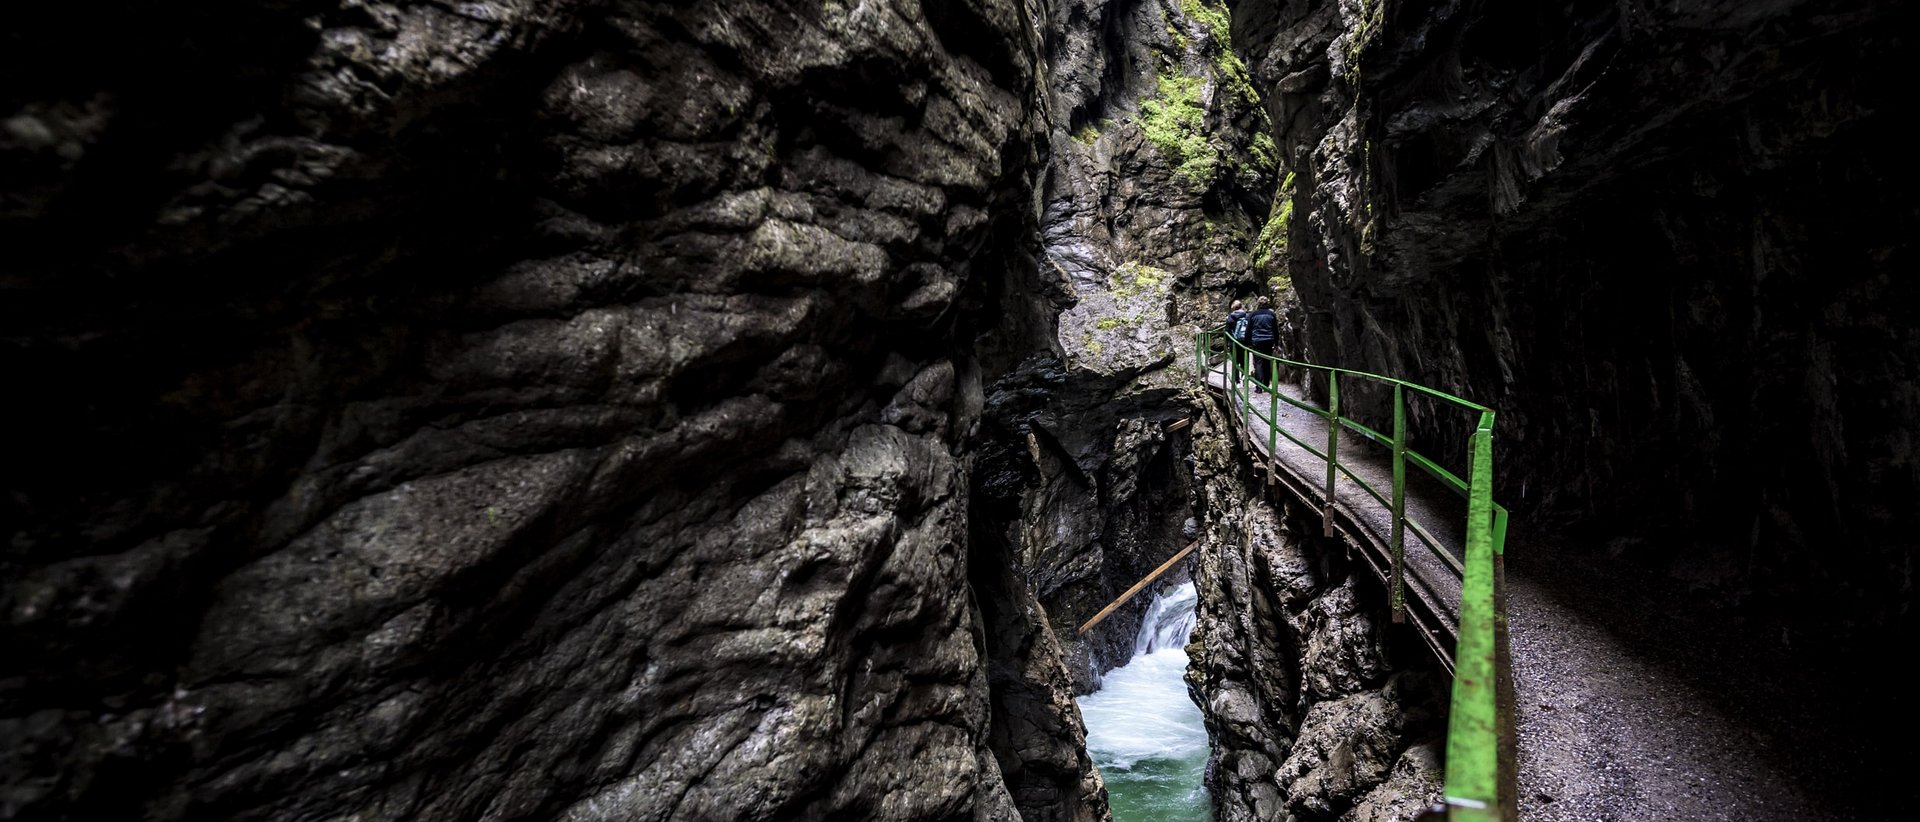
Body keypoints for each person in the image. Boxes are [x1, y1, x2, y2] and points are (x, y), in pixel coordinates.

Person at [1248, 295, 1278, 391]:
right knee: (1267, 362)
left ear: (1258, 303)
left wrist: (1248, 342)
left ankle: (1259, 387)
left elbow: (1249, 329)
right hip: (1269, 341)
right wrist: (1276, 342)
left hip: (1257, 341)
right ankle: (1266, 384)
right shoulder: (1272, 314)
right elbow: (1275, 330)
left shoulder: (1253, 314)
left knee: (1258, 363)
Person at [1224, 299, 1248, 384]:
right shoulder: (1247, 316)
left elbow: (1227, 331)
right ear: (1241, 306)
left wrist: (1226, 343)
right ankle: (1244, 377)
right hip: (1244, 342)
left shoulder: (1230, 317)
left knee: (1235, 361)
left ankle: (1237, 381)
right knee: (1244, 360)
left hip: (1233, 342)